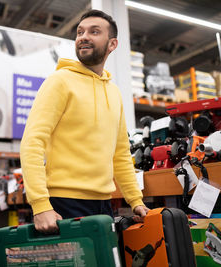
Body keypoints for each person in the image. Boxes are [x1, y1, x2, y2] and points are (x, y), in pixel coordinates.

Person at [20, 9, 149, 233]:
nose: (83, 36)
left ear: (112, 44)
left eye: (94, 31)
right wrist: (40, 205)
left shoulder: (114, 93)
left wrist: (135, 200)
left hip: (103, 204)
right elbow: (32, 142)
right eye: (80, 32)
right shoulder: (59, 82)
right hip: (63, 202)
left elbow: (120, 154)